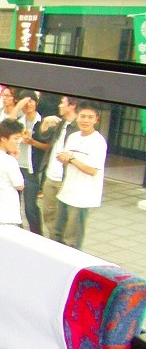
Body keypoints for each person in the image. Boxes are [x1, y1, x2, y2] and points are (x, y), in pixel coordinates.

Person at [55, 101, 107, 250]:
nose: (85, 120)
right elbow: (67, 159)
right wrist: (63, 158)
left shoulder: (98, 142)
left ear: (96, 119)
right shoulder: (73, 137)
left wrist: (71, 159)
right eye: (83, 116)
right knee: (57, 233)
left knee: (73, 239)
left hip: (82, 197)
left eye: (90, 117)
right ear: (77, 117)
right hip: (66, 192)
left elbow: (92, 170)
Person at [40, 96, 78, 240]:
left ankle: (61, 243)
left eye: (63, 103)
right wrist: (45, 122)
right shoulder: (60, 123)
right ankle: (54, 241)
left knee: (64, 216)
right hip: (50, 175)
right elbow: (43, 136)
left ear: (72, 105)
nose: (60, 105)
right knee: (48, 213)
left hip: (65, 178)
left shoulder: (78, 127)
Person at [16, 89, 50, 235]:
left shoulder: (42, 123)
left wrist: (32, 142)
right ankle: (17, 234)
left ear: (36, 103)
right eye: (25, 101)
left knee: (30, 207)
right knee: (14, 205)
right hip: (17, 167)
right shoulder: (19, 122)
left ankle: (37, 235)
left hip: (31, 170)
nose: (28, 104)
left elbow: (48, 146)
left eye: (31, 101)